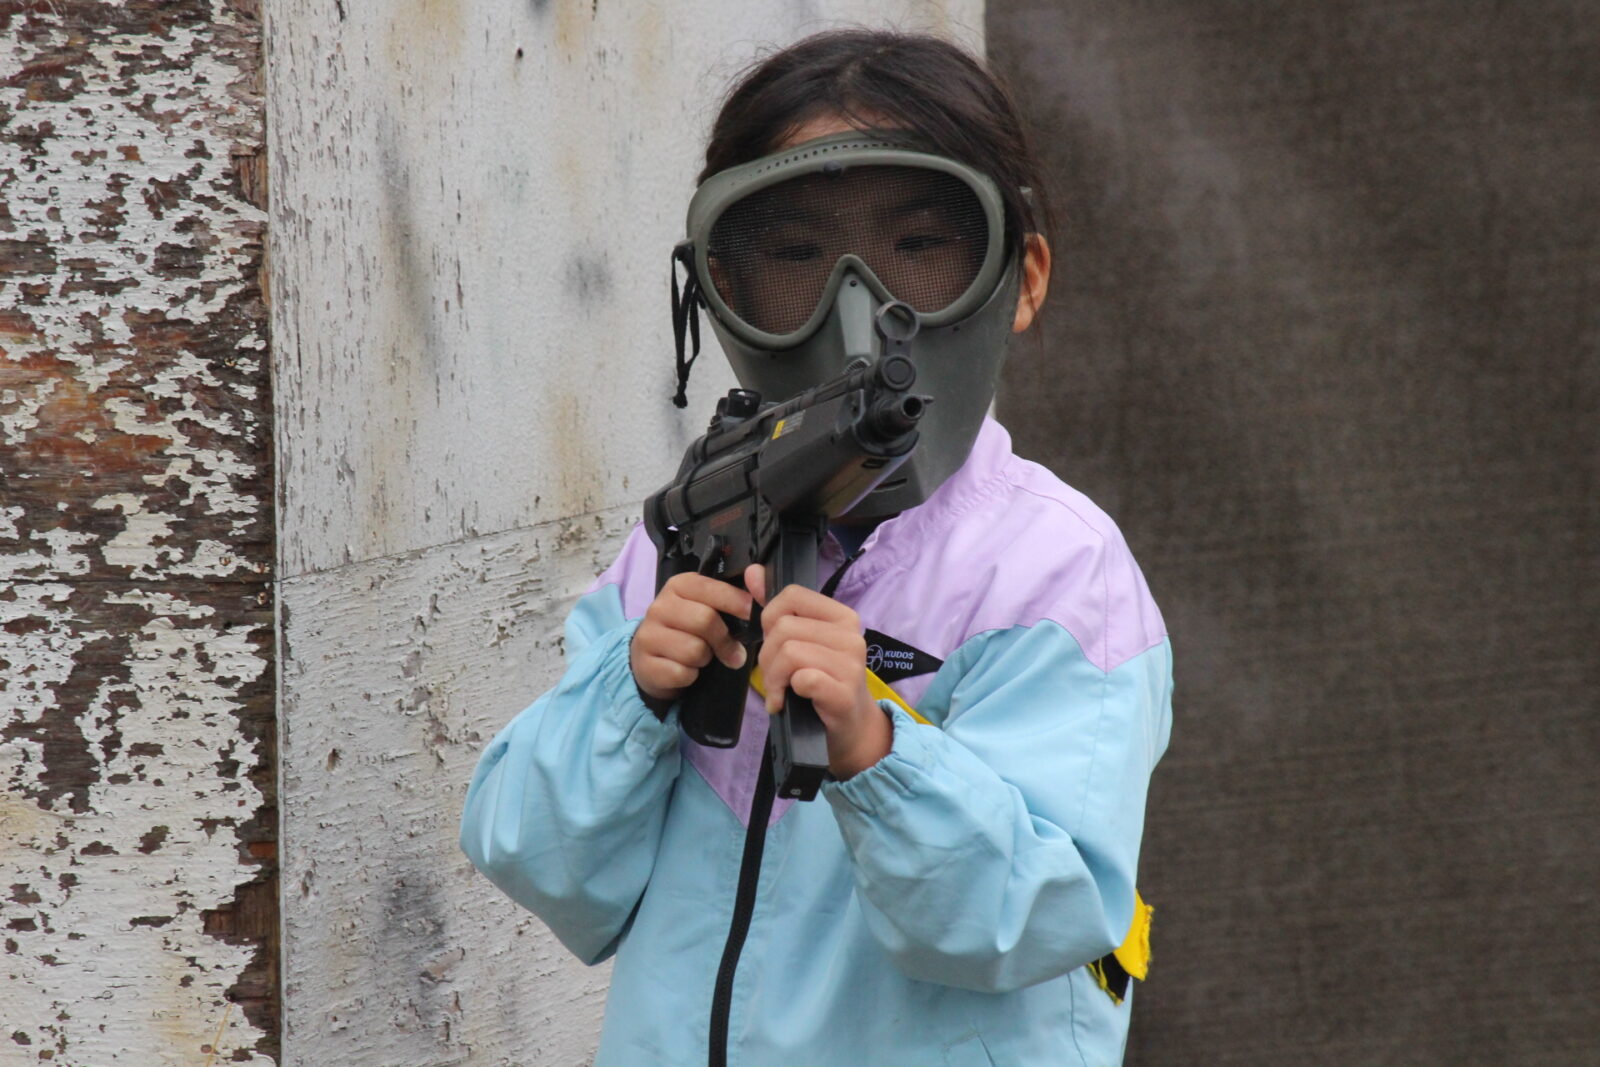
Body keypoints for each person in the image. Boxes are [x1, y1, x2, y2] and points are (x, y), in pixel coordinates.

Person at [461, 29, 1172, 1066]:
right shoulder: (685, 546)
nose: (856, 309)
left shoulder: (1055, 574)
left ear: (1020, 278)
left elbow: (1038, 919)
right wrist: (632, 690)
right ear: (719, 284)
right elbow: (543, 861)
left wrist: (875, 749)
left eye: (918, 247)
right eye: (794, 255)